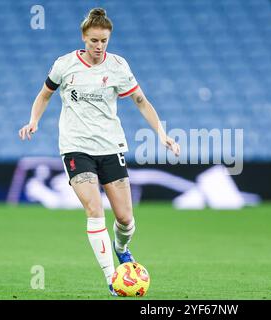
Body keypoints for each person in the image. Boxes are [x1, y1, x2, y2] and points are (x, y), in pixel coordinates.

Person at [18, 8, 180, 296]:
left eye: (104, 40)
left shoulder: (117, 66)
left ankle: (121, 248)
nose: (98, 46)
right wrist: (34, 120)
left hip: (111, 146)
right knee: (94, 210)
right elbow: (45, 94)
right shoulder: (65, 65)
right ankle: (111, 277)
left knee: (125, 219)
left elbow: (141, 101)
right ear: (84, 37)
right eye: (94, 40)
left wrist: (162, 134)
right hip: (75, 147)